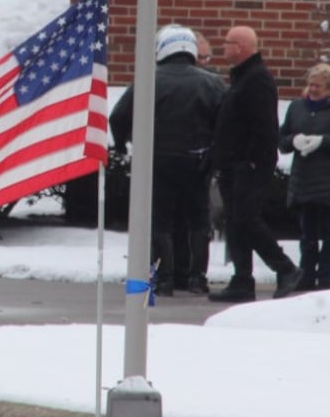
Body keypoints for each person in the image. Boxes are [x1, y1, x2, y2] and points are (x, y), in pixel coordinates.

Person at [109, 24, 225, 296]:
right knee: (198, 221)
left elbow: (118, 116)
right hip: (198, 161)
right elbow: (227, 122)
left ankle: (164, 278)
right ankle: (197, 278)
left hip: (157, 161)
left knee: (159, 221)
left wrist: (124, 145)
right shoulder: (212, 83)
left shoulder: (149, 79)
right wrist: (214, 151)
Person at [209, 25, 302, 303]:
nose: (222, 48)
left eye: (226, 43)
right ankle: (242, 280)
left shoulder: (257, 79)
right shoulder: (242, 78)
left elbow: (264, 127)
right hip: (233, 164)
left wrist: (251, 160)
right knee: (236, 223)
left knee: (246, 219)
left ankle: (285, 267)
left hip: (249, 165)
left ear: (240, 46)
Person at [278, 63, 330, 292]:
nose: (312, 89)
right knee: (307, 234)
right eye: (311, 84)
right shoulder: (297, 107)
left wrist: (323, 141)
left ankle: (325, 279)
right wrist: (293, 140)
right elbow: (282, 138)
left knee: (329, 235)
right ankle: (305, 275)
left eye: (318, 86)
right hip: (304, 179)